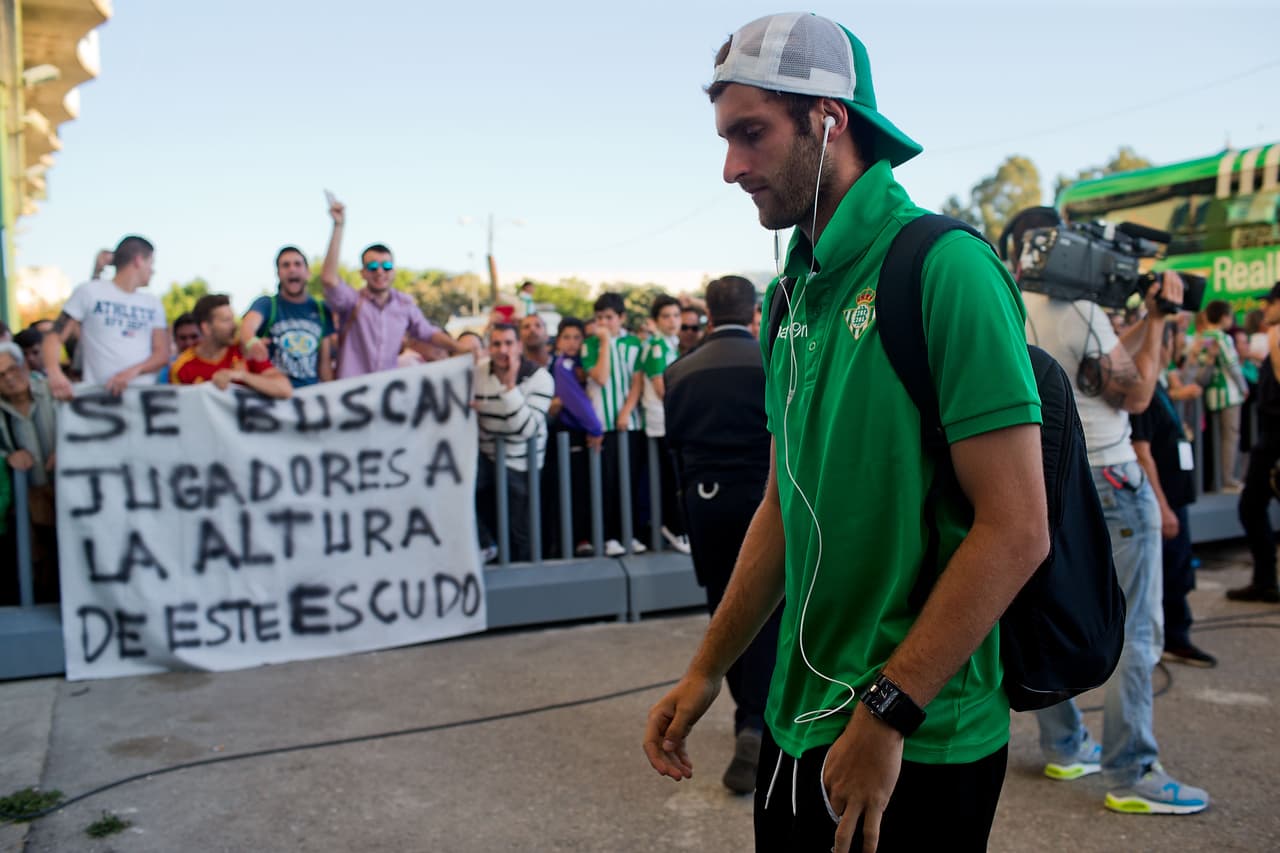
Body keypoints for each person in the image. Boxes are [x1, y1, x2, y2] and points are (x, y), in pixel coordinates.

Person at [644, 15, 1048, 852]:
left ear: (829, 119)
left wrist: (888, 712)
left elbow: (1016, 529)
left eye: (751, 134)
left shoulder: (947, 269)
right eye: (725, 139)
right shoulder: (788, 296)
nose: (731, 168)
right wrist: (708, 667)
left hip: (915, 738)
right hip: (797, 724)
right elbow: (784, 509)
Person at [1020, 214, 1208, 809]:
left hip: (1047, 475)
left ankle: (1066, 747)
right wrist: (1156, 321)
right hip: (1112, 476)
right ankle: (1133, 773)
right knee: (1135, 629)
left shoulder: (1012, 299)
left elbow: (1088, 371)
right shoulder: (1081, 311)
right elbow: (1137, 392)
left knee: (1051, 612)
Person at [663, 275, 778, 794]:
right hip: (766, 501)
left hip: (707, 505)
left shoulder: (679, 372)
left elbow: (677, 453)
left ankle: (749, 717)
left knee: (725, 612)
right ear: (753, 312)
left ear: (707, 313)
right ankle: (765, 723)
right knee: (773, 609)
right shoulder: (772, 361)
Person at [1131, 325, 1216, 667]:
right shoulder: (1145, 391)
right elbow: (1141, 450)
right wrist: (1162, 507)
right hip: (1164, 501)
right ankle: (1171, 639)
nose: (1180, 344)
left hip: (1176, 498)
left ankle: (1174, 635)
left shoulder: (1160, 384)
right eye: (1175, 338)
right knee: (1170, 573)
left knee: (1179, 570)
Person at [319, 197, 465, 378]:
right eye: (372, 267)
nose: (380, 271)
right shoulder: (352, 302)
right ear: (362, 273)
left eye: (386, 266)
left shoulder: (404, 304)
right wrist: (339, 226)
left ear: (393, 271)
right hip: (352, 394)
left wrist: (461, 348)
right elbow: (329, 279)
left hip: (383, 394)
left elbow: (428, 332)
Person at [42, 235, 169, 400]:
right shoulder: (89, 292)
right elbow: (54, 336)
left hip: (143, 400)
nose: (152, 270)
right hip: (99, 399)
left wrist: (131, 372)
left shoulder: (153, 303)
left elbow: (161, 353)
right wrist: (54, 373)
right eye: (151, 263)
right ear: (138, 260)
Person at [473, 323, 554, 563]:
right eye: (496, 344)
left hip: (521, 462)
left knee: (519, 529)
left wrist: (509, 389)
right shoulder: (477, 373)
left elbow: (525, 429)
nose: (502, 350)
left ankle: (524, 574)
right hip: (485, 455)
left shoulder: (540, 378)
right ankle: (486, 545)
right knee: (456, 490)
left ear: (519, 346)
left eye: (508, 343)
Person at [583, 292, 647, 556]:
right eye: (599, 318)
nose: (603, 322)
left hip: (629, 423)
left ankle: (629, 533)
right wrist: (605, 343)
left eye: (609, 317)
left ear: (621, 318)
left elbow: (638, 380)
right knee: (606, 483)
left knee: (629, 481)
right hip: (601, 424)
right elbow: (599, 377)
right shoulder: (590, 345)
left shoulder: (635, 343)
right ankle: (609, 536)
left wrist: (627, 410)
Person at [1231, 281, 1280, 603]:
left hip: (1276, 440)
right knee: (1252, 506)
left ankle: (1265, 580)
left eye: (1270, 302)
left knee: (1251, 507)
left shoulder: (1278, 334)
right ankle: (1264, 579)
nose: (1264, 308)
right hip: (1271, 438)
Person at [0, 341, 59, 602]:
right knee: (34, 568)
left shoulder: (52, 390)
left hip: (65, 494)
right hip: (24, 505)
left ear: (23, 364)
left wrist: (68, 449)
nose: (10, 379)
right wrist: (7, 456)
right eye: (0, 376)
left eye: (13, 369)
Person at [546, 318, 604, 556]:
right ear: (558, 341)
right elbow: (577, 403)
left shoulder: (585, 363)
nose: (572, 343)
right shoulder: (562, 365)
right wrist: (596, 429)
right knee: (573, 490)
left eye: (577, 337)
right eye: (566, 337)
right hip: (571, 436)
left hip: (585, 435)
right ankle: (573, 541)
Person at [242, 245, 336, 387]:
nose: (292, 269)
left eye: (297, 264)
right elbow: (247, 327)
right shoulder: (267, 304)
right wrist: (251, 341)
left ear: (307, 272)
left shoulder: (322, 310)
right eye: (286, 265)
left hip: (309, 397)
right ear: (278, 273)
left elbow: (325, 365)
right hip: (274, 393)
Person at [638, 294, 689, 553]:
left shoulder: (669, 344)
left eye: (676, 315)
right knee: (671, 479)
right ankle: (673, 527)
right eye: (666, 316)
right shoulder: (657, 346)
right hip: (661, 422)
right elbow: (662, 389)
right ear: (656, 320)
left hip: (670, 420)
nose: (672, 321)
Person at [170, 294, 293, 399]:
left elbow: (285, 389)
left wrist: (242, 376)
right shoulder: (181, 367)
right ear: (206, 328)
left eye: (233, 319)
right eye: (226, 320)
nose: (235, 326)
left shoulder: (244, 350)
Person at [1190, 300, 1247, 491]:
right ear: (1224, 317)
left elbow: (1198, 368)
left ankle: (1216, 479)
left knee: (1216, 438)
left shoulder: (1202, 337)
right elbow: (1232, 365)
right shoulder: (1223, 338)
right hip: (1229, 394)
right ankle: (1228, 479)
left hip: (1209, 394)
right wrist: (1243, 387)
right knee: (1230, 437)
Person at [156, 313, 202, 385]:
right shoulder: (166, 371)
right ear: (175, 339)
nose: (189, 343)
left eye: (194, 336)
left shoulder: (217, 362)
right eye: (183, 338)